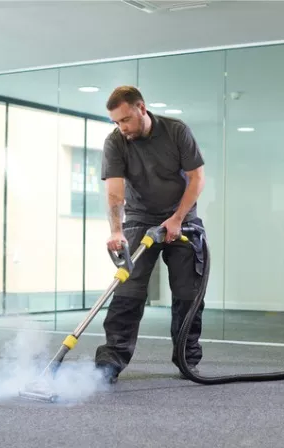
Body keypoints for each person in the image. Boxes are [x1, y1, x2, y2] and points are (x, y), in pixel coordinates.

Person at [94, 85, 208, 384]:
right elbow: (115, 190)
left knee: (188, 293)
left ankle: (187, 358)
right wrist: (116, 231)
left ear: (141, 108)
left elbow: (197, 178)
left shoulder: (176, 132)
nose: (122, 127)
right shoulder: (116, 141)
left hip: (182, 219)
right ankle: (111, 361)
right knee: (127, 291)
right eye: (116, 122)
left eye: (126, 120)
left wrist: (177, 219)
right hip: (140, 218)